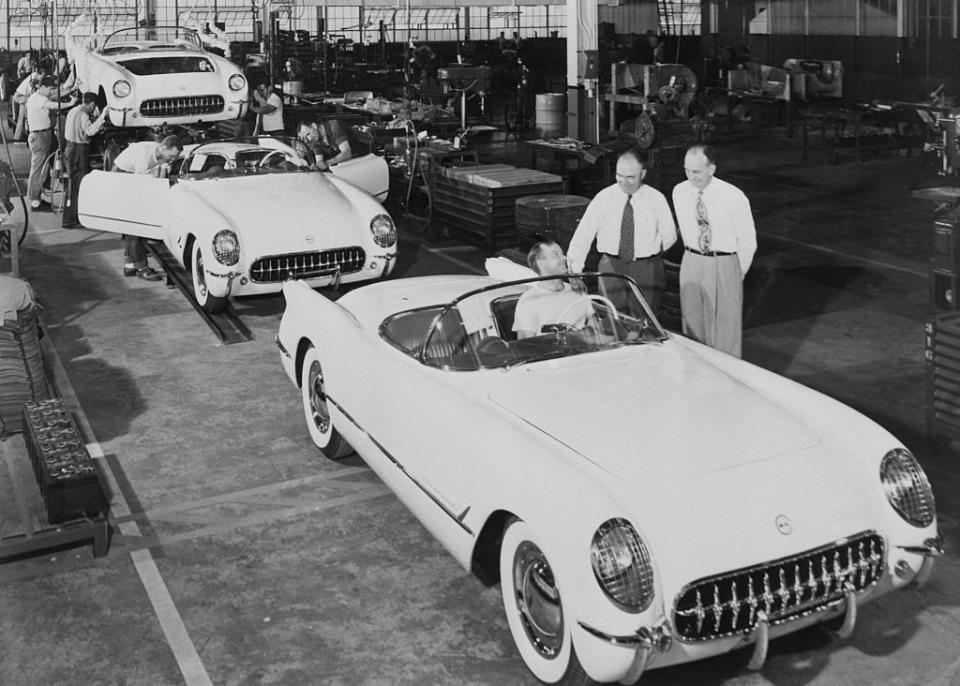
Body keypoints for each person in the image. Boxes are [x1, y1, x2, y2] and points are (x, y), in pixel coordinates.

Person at [567, 147, 677, 316]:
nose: (624, 182)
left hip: (647, 268)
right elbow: (583, 234)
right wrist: (575, 270)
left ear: (643, 174)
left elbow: (670, 235)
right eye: (620, 176)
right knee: (612, 320)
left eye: (630, 177)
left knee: (646, 323)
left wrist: (649, 253)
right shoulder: (604, 198)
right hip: (611, 267)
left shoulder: (656, 199)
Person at [672, 143, 757, 358]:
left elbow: (748, 241)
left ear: (712, 169)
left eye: (697, 171)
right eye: (687, 170)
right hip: (691, 261)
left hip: (724, 264)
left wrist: (737, 274)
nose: (691, 176)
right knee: (692, 330)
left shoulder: (733, 196)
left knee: (724, 335)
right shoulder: (679, 191)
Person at [111, 135, 183, 280]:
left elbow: (156, 178)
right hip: (122, 175)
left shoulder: (159, 152)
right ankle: (142, 268)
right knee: (136, 224)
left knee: (132, 224)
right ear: (163, 148)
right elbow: (142, 186)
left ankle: (130, 265)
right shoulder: (144, 157)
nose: (172, 160)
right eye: (171, 156)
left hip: (133, 176)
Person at [513, 240, 594, 339]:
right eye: (556, 254)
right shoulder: (528, 300)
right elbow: (525, 345)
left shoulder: (577, 290)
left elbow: (593, 327)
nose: (564, 258)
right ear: (540, 263)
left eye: (562, 254)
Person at [25, 77, 76, 213]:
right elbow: (54, 105)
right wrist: (71, 103)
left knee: (44, 166)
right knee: (38, 168)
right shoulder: (38, 99)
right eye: (50, 89)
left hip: (44, 135)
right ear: (42, 87)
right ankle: (35, 201)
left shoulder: (39, 96)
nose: (51, 92)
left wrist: (72, 88)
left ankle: (38, 196)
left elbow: (55, 96)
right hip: (39, 136)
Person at [61, 91, 107, 229]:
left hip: (69, 148)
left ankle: (70, 219)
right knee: (77, 185)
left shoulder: (73, 110)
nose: (93, 109)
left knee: (71, 184)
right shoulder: (83, 115)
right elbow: (90, 131)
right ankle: (71, 219)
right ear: (92, 104)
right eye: (94, 107)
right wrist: (102, 116)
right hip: (78, 151)